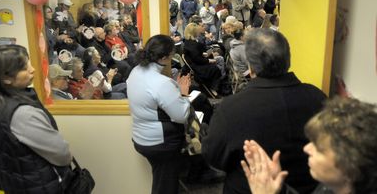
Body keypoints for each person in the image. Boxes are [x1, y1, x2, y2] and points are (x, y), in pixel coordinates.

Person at [202, 28, 327, 194]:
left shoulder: (231, 108)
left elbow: (215, 159)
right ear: (288, 60)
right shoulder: (317, 97)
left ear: (251, 67)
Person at [0, 45, 73, 193]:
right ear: (6, 78)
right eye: (24, 67)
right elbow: (62, 154)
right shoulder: (22, 114)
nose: (32, 69)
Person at [241, 97, 377, 194]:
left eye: (318, 148)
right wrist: (277, 189)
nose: (306, 148)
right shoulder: (331, 187)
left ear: (350, 169)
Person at [127, 34, 191, 194]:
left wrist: (173, 91)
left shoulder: (136, 71)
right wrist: (183, 93)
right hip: (161, 144)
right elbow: (181, 115)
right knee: (165, 187)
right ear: (165, 57)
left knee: (163, 180)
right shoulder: (161, 83)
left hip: (141, 138)